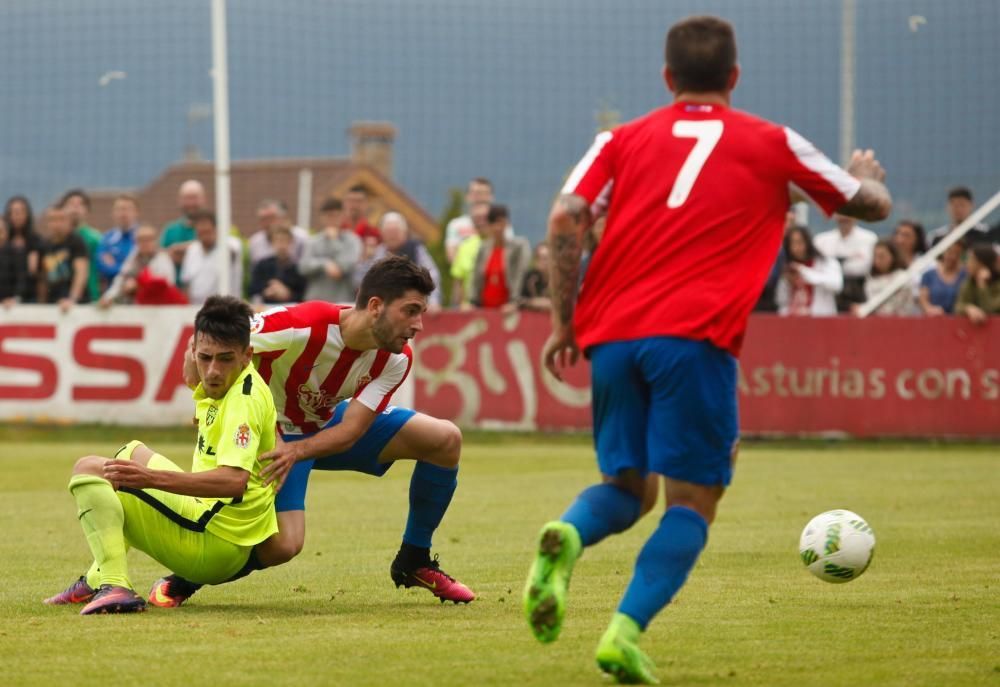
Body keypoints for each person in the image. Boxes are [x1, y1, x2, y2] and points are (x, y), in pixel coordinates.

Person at [522, 16, 891, 684]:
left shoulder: (620, 140)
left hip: (610, 337)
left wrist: (562, 321)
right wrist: (865, 175)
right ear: (734, 76)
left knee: (626, 489)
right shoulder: (771, 140)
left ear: (667, 78)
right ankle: (622, 633)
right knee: (692, 501)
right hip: (692, 338)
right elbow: (867, 205)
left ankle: (569, 536)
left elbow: (561, 216)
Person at [149, 256, 474, 608]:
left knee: (444, 440)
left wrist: (297, 450)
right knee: (286, 545)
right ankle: (186, 579)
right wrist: (212, 402)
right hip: (269, 437)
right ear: (376, 306)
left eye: (421, 312)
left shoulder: (396, 358)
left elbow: (351, 431)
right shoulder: (300, 325)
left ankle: (414, 559)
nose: (419, 324)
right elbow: (207, 347)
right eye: (410, 311)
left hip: (317, 430)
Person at [44, 296, 278, 614]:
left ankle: (114, 584)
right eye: (205, 357)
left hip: (214, 543)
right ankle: (98, 575)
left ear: (247, 355)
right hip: (218, 527)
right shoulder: (227, 381)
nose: (212, 371)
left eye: (225, 359)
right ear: (194, 349)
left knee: (89, 470)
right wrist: (192, 365)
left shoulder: (243, 400)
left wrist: (150, 479)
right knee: (131, 452)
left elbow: (233, 481)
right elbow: (201, 384)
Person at [355, 212, 442, 308]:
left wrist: (433, 301)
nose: (392, 236)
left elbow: (432, 275)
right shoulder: (377, 253)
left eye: (395, 232)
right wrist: (364, 260)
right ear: (382, 233)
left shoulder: (416, 250)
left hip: (411, 306)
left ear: (405, 233)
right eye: (388, 232)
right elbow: (359, 281)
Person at [99, 224, 181, 306]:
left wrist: (137, 285)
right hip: (137, 306)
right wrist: (108, 297)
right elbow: (121, 279)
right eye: (141, 240)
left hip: (159, 306)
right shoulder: (133, 258)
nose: (145, 243)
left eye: (148, 239)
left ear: (155, 241)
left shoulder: (162, 258)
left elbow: (169, 283)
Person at [300, 197, 363, 303]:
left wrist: (334, 241)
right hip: (315, 301)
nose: (332, 220)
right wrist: (324, 264)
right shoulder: (313, 241)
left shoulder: (352, 240)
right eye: (328, 216)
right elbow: (303, 267)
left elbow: (344, 266)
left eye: (336, 216)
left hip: (342, 301)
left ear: (342, 216)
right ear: (322, 218)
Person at [813, 213, 877, 312]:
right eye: (841, 214)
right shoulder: (821, 240)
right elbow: (818, 269)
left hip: (859, 293)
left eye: (849, 213)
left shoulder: (869, 239)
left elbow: (865, 267)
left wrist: (834, 265)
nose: (844, 218)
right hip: (828, 295)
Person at [471, 204, 531, 309]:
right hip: (484, 309)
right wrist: (473, 301)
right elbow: (476, 277)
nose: (497, 228)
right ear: (488, 225)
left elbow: (521, 274)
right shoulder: (483, 249)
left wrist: (515, 302)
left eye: (501, 223)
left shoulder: (518, 247)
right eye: (494, 223)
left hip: (508, 309)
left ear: (506, 224)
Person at [775, 226, 843, 316]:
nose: (796, 248)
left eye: (799, 242)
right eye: (792, 244)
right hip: (794, 322)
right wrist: (787, 282)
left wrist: (803, 271)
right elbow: (781, 301)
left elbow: (837, 285)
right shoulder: (788, 266)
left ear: (808, 243)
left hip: (820, 320)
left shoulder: (826, 262)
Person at [180, 210, 243, 304]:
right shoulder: (192, 249)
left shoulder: (232, 245)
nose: (203, 231)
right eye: (200, 228)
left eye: (207, 229)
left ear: (215, 228)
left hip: (226, 310)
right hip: (196, 310)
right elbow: (186, 282)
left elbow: (233, 252)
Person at [37, 207, 90, 310]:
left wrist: (72, 299)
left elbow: (81, 274)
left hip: (77, 305)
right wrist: (41, 304)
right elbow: (42, 279)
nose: (57, 224)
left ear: (69, 222)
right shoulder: (44, 246)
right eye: (53, 219)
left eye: (61, 219)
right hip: (52, 303)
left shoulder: (76, 242)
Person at [58, 189, 103, 303]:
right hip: (59, 299)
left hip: (90, 298)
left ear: (87, 210)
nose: (75, 208)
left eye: (80, 204)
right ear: (62, 209)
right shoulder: (55, 240)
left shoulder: (97, 239)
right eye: (71, 204)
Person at [248, 224, 306, 304]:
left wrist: (287, 294)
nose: (281, 245)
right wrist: (267, 292)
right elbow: (252, 289)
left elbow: (304, 295)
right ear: (272, 243)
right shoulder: (262, 265)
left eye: (285, 240)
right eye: (278, 240)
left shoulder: (298, 268)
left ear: (291, 243)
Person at [857, 240, 917, 316]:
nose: (877, 260)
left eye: (882, 256)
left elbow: (892, 310)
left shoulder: (903, 278)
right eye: (875, 256)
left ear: (893, 256)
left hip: (901, 322)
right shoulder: (870, 280)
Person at [247, 199, 310, 271]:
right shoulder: (255, 242)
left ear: (282, 217)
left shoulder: (301, 237)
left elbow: (306, 268)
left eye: (270, 218)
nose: (267, 223)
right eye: (263, 219)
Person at [161, 180, 208, 276]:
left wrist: (186, 249)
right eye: (187, 198)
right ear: (179, 201)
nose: (191, 203)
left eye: (194, 198)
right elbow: (161, 258)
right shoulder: (170, 230)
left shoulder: (217, 227)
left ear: (204, 199)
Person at [449, 201, 490, 307]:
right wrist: (455, 307)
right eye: (476, 219)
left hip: (497, 308)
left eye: (484, 218)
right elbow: (458, 281)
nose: (480, 222)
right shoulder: (465, 246)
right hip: (470, 308)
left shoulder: (503, 246)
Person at [444, 177, 494, 263]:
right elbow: (451, 256)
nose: (480, 197)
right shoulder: (456, 225)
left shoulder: (500, 225)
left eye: (484, 193)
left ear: (491, 197)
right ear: (467, 196)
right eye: (476, 193)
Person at [95, 194, 140, 287]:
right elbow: (103, 267)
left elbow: (144, 269)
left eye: (128, 209)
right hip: (112, 296)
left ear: (136, 212)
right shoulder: (107, 239)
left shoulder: (143, 237)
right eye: (119, 209)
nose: (123, 213)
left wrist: (116, 265)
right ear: (113, 213)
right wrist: (130, 268)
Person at [3, 196, 40, 303]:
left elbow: (34, 272)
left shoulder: (36, 241)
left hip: (28, 297)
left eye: (21, 211)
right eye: (14, 212)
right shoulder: (4, 240)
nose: (17, 216)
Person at [918, 239, 967, 316]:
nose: (953, 257)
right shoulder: (928, 275)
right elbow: (923, 300)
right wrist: (929, 309)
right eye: (950, 252)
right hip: (934, 320)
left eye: (957, 253)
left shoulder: (966, 274)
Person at [954, 244, 1000, 325]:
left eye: (972, 260)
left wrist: (982, 286)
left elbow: (991, 309)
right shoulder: (969, 282)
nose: (967, 264)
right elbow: (958, 306)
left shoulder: (997, 283)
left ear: (982, 264)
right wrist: (968, 308)